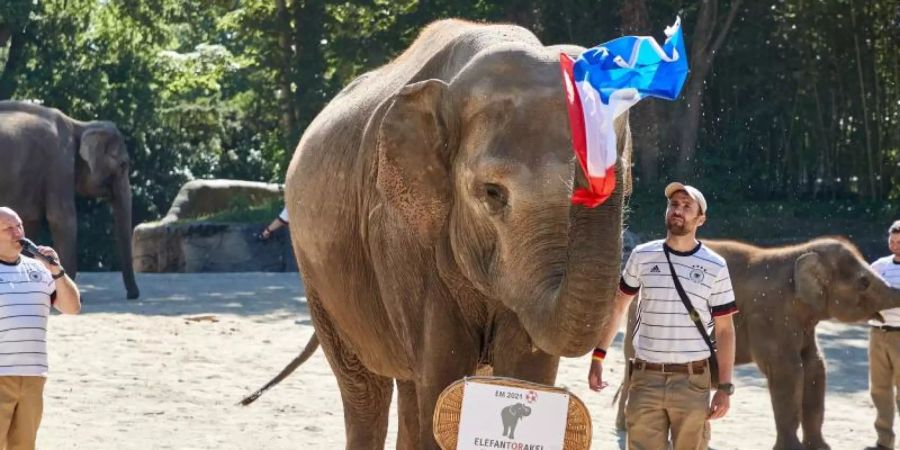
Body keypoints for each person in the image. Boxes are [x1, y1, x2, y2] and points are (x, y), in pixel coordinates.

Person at [587, 183, 738, 450]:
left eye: (687, 206)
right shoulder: (642, 255)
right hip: (646, 378)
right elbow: (619, 307)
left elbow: (725, 330)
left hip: (692, 382)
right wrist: (599, 355)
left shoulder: (715, 265)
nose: (678, 210)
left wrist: (725, 388)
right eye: (674, 205)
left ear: (700, 219)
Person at [0, 207, 80, 450]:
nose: (18, 233)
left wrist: (57, 271)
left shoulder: (40, 270)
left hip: (34, 376)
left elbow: (72, 307)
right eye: (8, 229)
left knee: (24, 445)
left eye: (19, 226)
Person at [866, 220, 900, 450]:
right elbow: (862, 290)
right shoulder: (879, 265)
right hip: (877, 335)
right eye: (893, 240)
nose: (895, 244)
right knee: (880, 390)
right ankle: (884, 442)